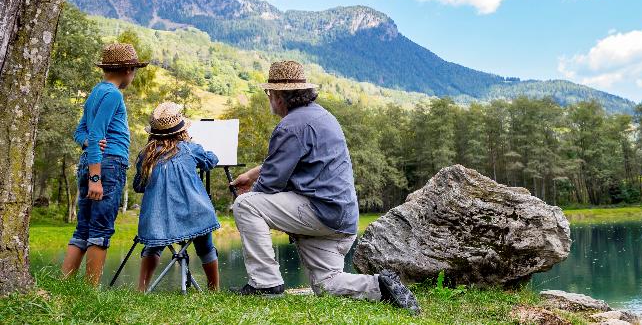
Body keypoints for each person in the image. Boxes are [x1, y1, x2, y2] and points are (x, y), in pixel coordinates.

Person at [230, 60, 420, 314]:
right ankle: (380, 286)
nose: (269, 98)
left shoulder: (290, 126)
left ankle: (265, 284)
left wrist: (251, 195)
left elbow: (271, 183)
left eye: (269, 93)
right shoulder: (322, 116)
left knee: (245, 205)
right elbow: (285, 160)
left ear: (278, 96)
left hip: (320, 213)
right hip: (342, 221)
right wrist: (251, 175)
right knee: (326, 284)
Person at [61, 43, 147, 285]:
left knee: (83, 229)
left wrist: (88, 143)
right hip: (106, 166)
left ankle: (64, 285)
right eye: (134, 70)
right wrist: (95, 178)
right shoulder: (113, 95)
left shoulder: (96, 93)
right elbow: (98, 132)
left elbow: (80, 133)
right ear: (128, 69)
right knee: (101, 229)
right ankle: (90, 291)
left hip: (90, 163)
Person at [133, 101, 221, 292]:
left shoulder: (145, 156)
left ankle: (141, 289)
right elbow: (211, 161)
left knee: (152, 247)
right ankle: (214, 289)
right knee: (205, 247)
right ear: (181, 130)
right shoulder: (190, 148)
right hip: (195, 216)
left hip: (159, 221)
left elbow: (138, 186)